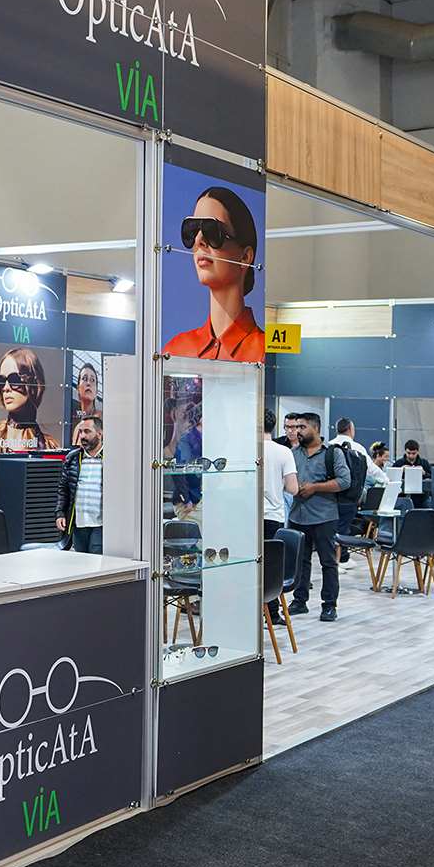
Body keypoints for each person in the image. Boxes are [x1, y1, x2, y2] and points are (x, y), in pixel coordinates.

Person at [163, 186, 262, 361]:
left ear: (245, 257)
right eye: (192, 230)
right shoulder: (175, 350)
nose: (198, 240)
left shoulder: (266, 353)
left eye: (212, 231)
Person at [288, 412, 349, 622]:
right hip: (298, 515)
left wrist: (315, 487)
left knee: (328, 562)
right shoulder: (293, 454)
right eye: (295, 427)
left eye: (302, 427)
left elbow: (344, 481)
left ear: (316, 428)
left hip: (324, 516)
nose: (297, 431)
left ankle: (329, 605)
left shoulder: (332, 453)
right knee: (300, 562)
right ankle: (299, 601)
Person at [0, 347, 60, 454]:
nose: (5, 388)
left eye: (14, 379)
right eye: (1, 381)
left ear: (33, 383)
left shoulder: (49, 446)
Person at [262, 410, 299, 624]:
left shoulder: (246, 449)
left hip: (248, 516)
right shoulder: (284, 452)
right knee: (271, 566)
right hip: (273, 515)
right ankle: (272, 614)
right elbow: (293, 488)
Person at [55, 414, 105, 554]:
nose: (82, 436)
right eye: (80, 432)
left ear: (100, 434)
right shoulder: (72, 458)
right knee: (81, 561)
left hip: (101, 524)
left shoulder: (112, 457)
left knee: (95, 560)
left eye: (87, 431)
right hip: (78, 523)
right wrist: (60, 513)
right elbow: (63, 489)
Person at [393, 439, 432, 508]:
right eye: (408, 453)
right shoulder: (399, 463)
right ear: (405, 451)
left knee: (428, 505)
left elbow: (432, 477)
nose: (411, 456)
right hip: (403, 496)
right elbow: (391, 478)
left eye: (414, 453)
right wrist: (400, 470)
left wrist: (424, 473)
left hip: (421, 497)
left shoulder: (424, 463)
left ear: (418, 452)